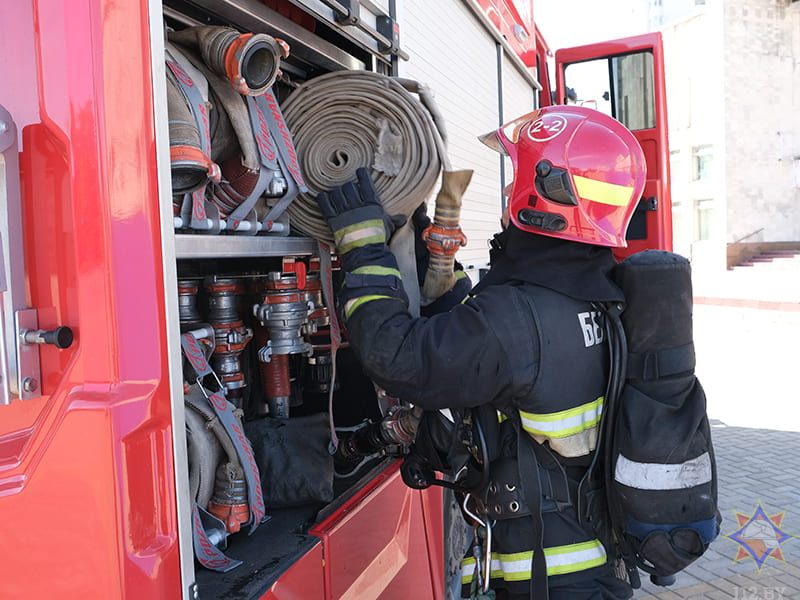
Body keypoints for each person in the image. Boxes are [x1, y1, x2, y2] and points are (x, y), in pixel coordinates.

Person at [315, 105, 647, 600]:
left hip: (544, 581)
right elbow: (489, 340)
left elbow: (397, 356)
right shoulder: (589, 291)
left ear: (542, 190)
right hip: (591, 559)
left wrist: (363, 245)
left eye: (517, 175)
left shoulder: (519, 317)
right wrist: (436, 265)